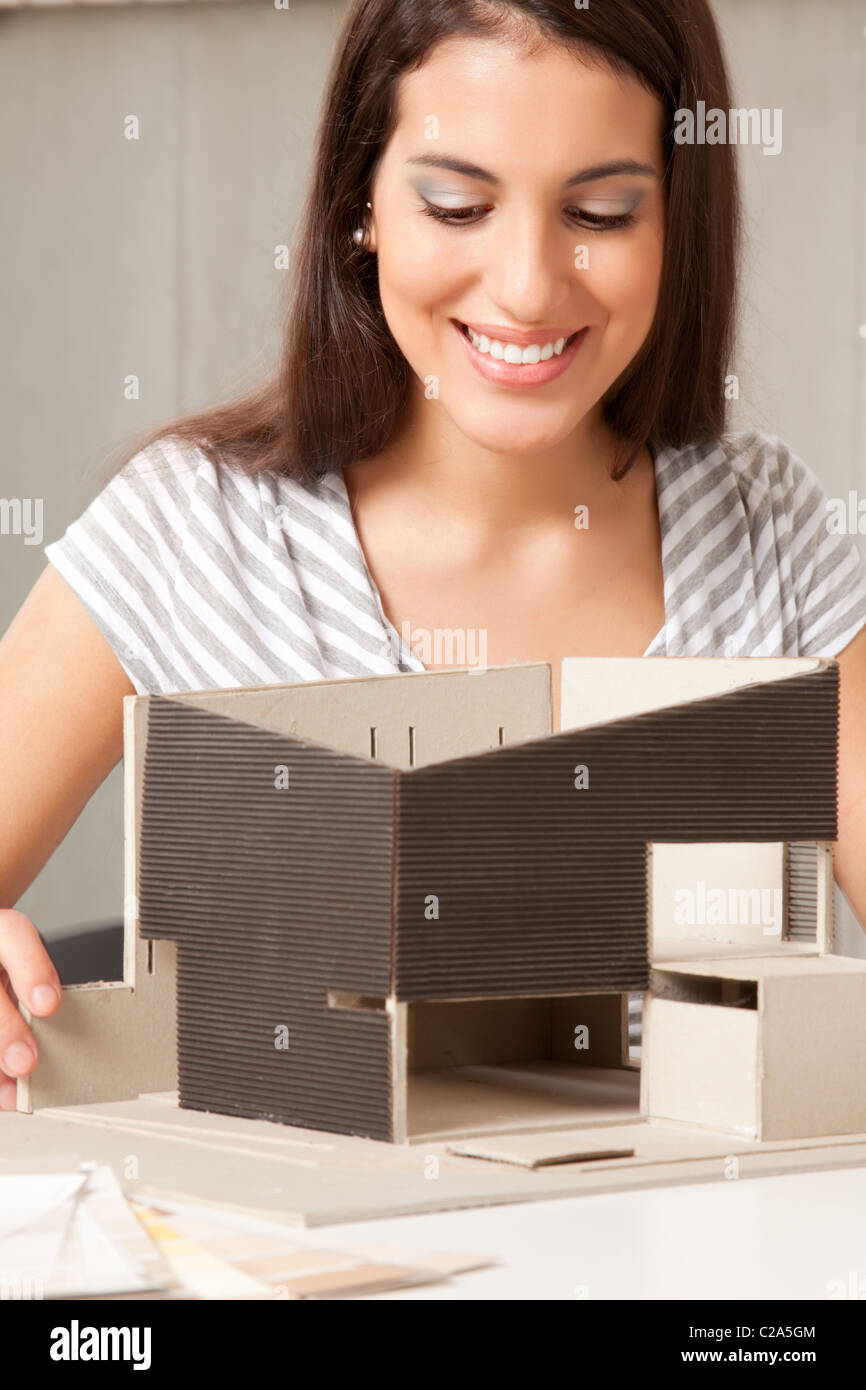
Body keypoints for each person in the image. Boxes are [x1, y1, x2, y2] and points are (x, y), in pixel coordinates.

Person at [2, 0, 865, 1110]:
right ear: (360, 202)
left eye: (598, 210)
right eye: (456, 205)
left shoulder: (768, 534)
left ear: (676, 222)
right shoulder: (190, 532)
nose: (523, 285)